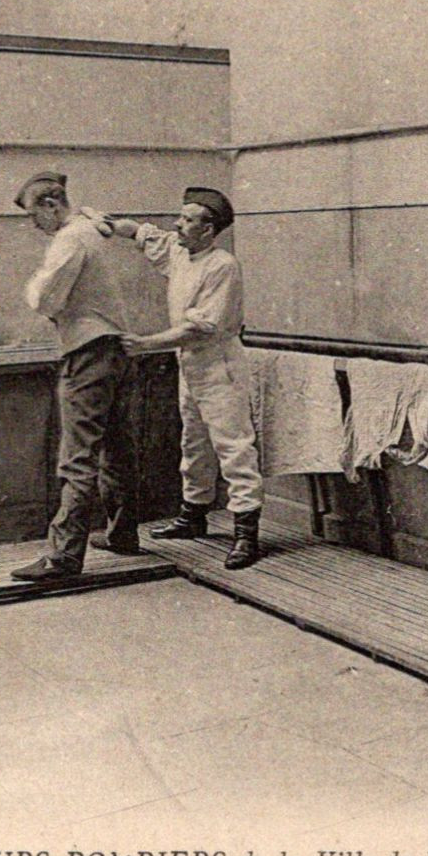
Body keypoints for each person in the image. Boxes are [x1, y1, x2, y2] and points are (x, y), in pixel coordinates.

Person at [104, 188, 263, 570]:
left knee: (233, 447)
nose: (178, 223)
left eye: (188, 219)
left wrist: (145, 343)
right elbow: (146, 235)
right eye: (181, 216)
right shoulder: (181, 253)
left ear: (209, 229)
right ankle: (193, 516)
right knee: (193, 443)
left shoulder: (222, 265)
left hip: (219, 364)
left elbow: (201, 329)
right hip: (190, 366)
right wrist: (111, 226)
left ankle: (246, 535)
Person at [11, 172, 141, 581]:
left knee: (77, 457)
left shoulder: (69, 239)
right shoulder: (92, 230)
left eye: (35, 214)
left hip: (88, 354)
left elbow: (44, 298)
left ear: (52, 205)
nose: (34, 224)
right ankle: (122, 534)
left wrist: (33, 287)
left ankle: (63, 557)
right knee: (117, 449)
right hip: (117, 351)